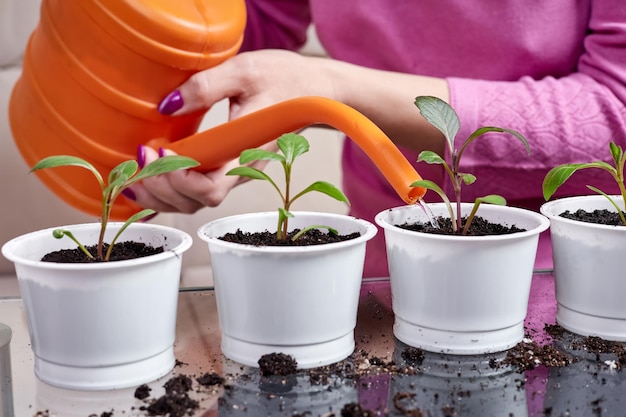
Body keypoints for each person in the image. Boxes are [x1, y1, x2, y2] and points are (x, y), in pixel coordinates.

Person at [128, 0, 626, 278]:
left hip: (575, 274)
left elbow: (614, 112)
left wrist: (334, 88)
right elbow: (253, 23)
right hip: (381, 264)